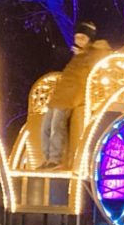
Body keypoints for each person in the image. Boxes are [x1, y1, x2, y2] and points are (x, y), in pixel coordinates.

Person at [40, 20, 111, 168]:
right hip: (61, 94)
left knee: (56, 125)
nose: (79, 41)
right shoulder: (76, 54)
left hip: (73, 95)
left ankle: (55, 158)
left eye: (83, 38)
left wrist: (85, 53)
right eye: (77, 37)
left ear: (90, 39)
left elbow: (99, 61)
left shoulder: (94, 52)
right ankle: (47, 158)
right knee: (45, 126)